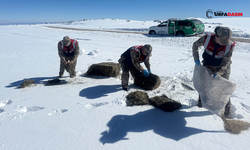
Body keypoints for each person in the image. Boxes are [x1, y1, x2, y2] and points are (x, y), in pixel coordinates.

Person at [192, 26, 236, 119]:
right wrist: (196, 58)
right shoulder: (206, 39)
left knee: (223, 87)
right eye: (222, 41)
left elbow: (226, 62)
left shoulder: (229, 45)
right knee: (204, 85)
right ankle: (200, 105)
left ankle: (226, 112)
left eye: (225, 42)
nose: (224, 44)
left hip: (223, 67)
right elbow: (195, 45)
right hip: (208, 64)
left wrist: (219, 73)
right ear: (216, 36)